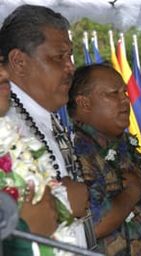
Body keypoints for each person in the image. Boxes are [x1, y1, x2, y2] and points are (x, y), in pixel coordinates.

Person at [0, 4, 90, 249]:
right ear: (18, 61)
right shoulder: (6, 125)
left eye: (70, 56)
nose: (71, 66)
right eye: (58, 57)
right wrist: (62, 204)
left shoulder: (45, 116)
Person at [68, 64, 141, 256]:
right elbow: (94, 226)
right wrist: (131, 193)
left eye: (124, 92)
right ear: (84, 103)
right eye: (113, 94)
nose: (125, 100)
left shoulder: (127, 148)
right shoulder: (77, 152)